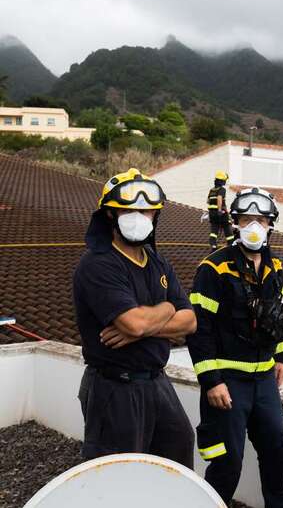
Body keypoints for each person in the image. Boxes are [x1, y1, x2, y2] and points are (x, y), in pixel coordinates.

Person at [72, 168, 196, 468]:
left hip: (156, 381)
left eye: (147, 211)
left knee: (177, 448)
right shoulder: (98, 265)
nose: (139, 217)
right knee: (120, 470)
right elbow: (135, 323)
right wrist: (165, 310)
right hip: (114, 388)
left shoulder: (157, 262)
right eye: (129, 210)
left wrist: (142, 327)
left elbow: (190, 321)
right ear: (110, 215)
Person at [187, 186, 283, 507]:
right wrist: (212, 381)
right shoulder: (213, 268)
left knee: (277, 451)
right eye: (247, 218)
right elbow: (199, 329)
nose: (254, 226)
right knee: (227, 463)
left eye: (261, 219)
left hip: (264, 383)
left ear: (271, 223)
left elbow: (280, 316)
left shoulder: (274, 266)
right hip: (228, 384)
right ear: (234, 222)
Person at [207, 170, 234, 251]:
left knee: (214, 230)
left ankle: (213, 246)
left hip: (212, 213)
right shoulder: (222, 189)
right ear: (222, 181)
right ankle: (231, 245)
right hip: (220, 212)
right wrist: (219, 209)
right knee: (227, 228)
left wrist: (212, 210)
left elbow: (208, 201)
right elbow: (219, 198)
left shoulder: (211, 190)